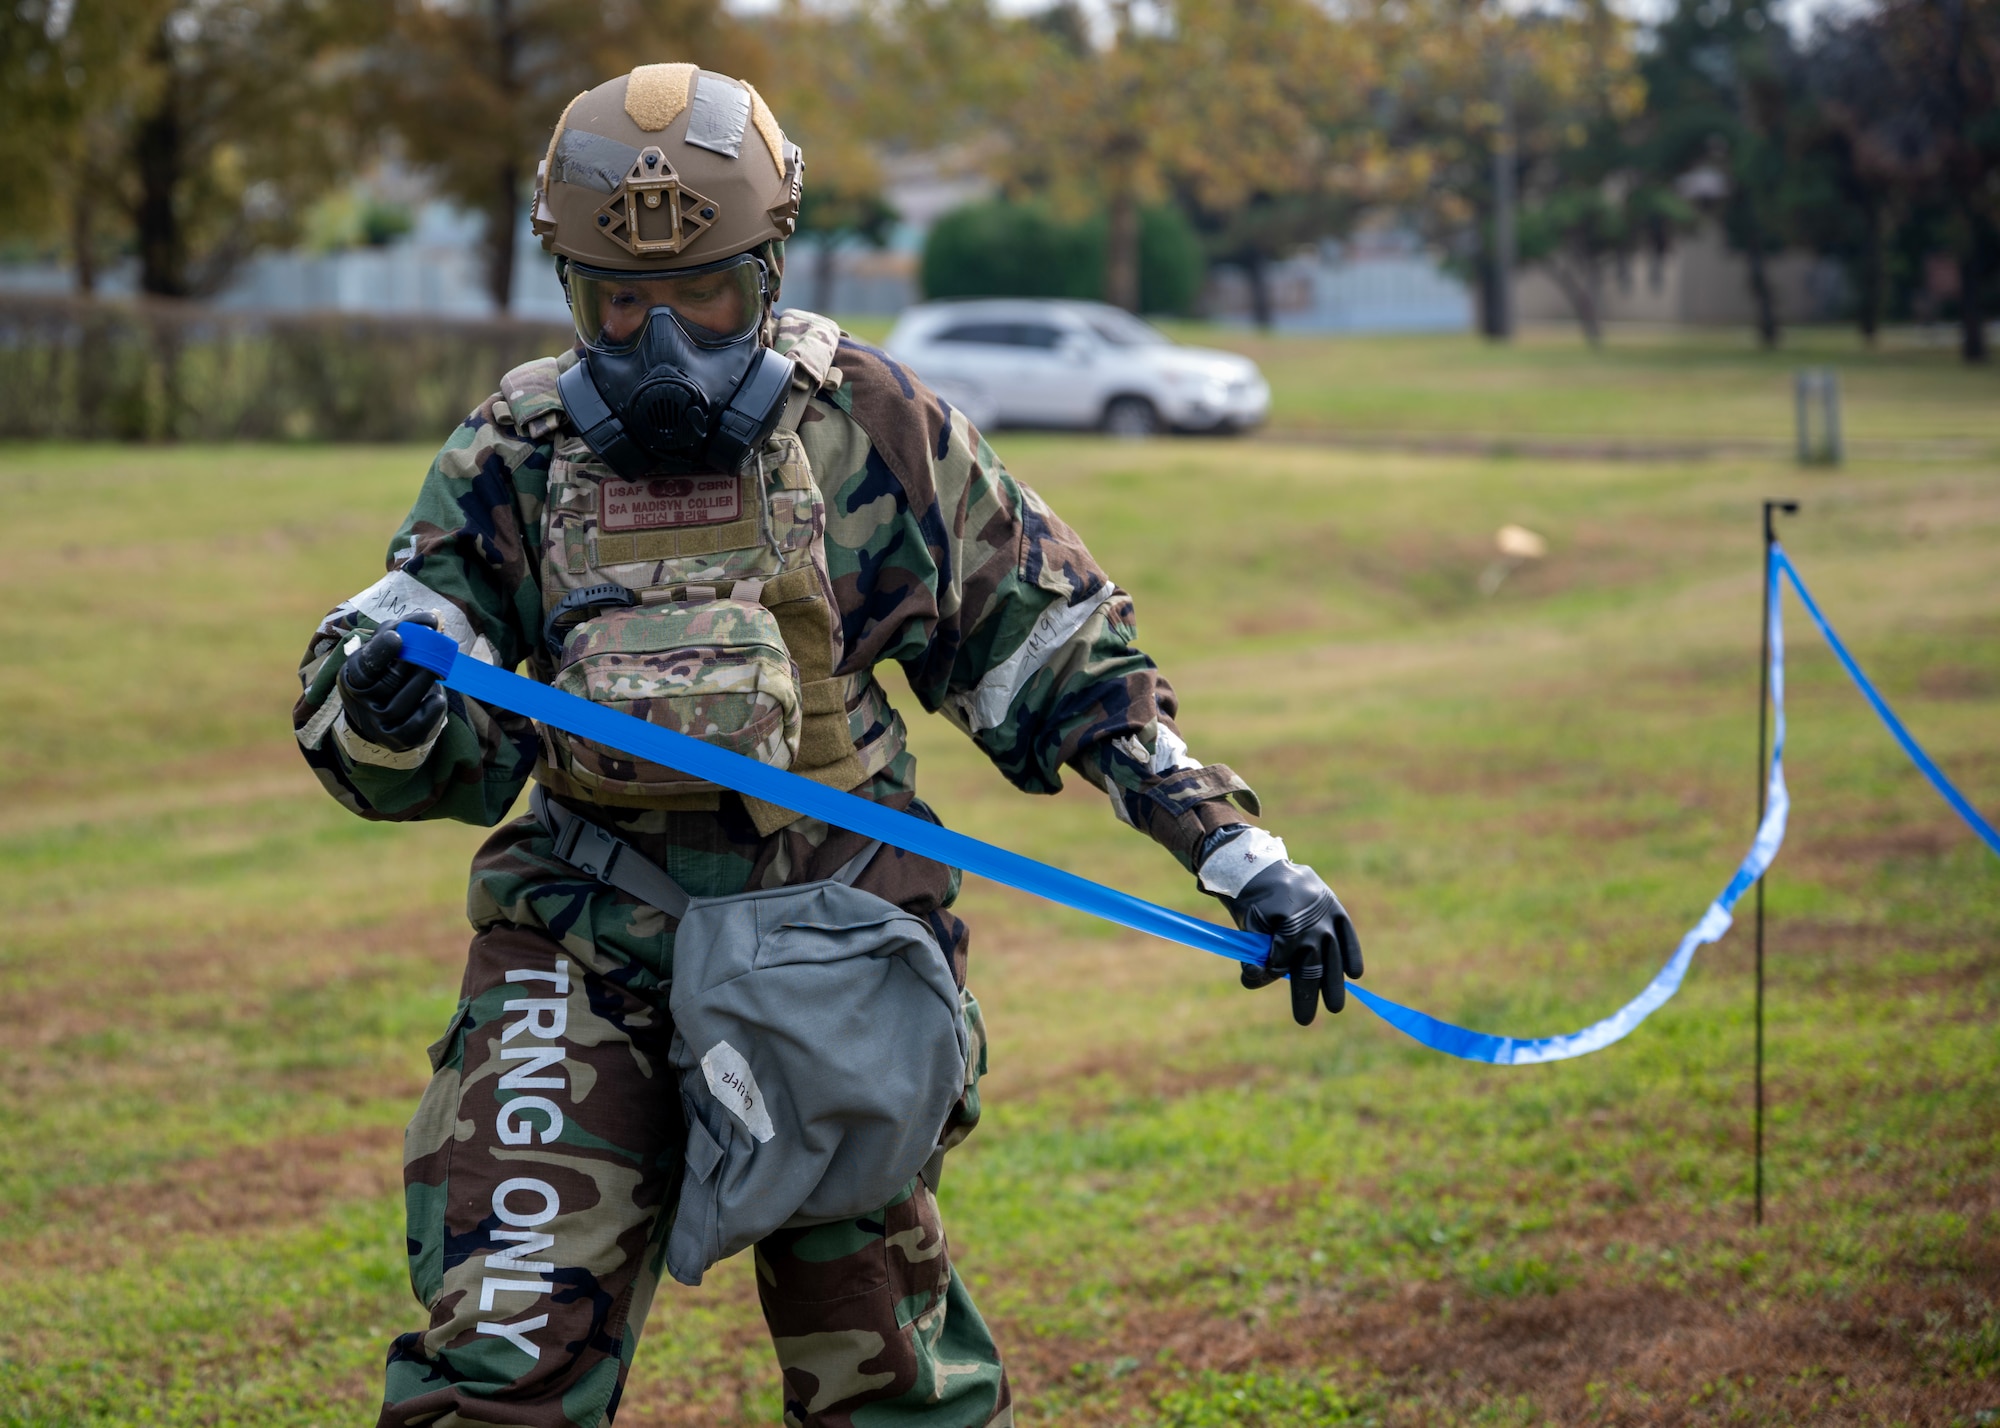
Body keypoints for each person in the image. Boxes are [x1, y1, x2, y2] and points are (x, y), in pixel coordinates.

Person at [292, 62, 1362, 1428]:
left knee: (887, 1390)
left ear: (775, 270)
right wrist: (389, 715)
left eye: (708, 299)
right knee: (498, 1369)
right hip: (579, 946)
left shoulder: (876, 429)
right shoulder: (513, 453)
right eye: (620, 302)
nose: (663, 345)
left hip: (835, 948)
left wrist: (1237, 852)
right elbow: (392, 689)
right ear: (569, 288)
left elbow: (1060, 657)